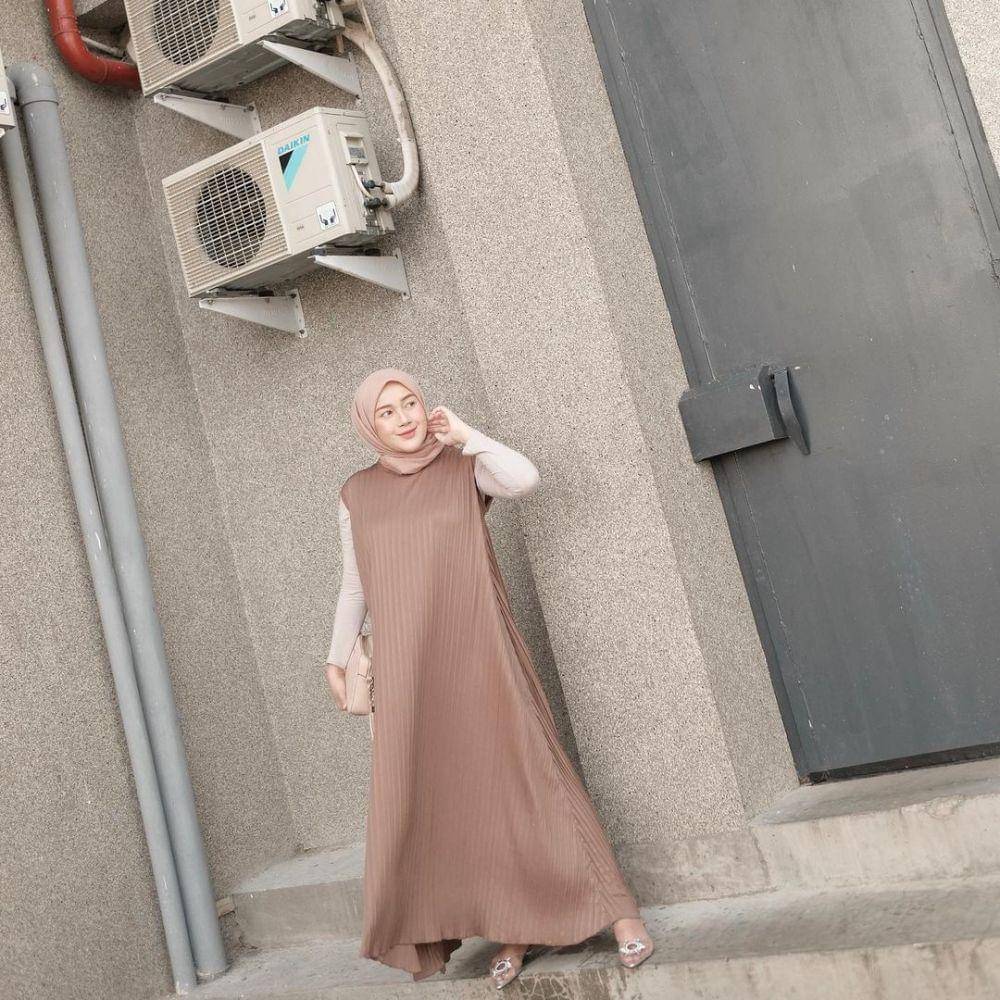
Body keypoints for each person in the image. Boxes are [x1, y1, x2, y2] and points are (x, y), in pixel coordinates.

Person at [324, 367, 655, 988]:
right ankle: (515, 928)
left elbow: (525, 479)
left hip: (478, 648)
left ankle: (620, 913)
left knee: (530, 773)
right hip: (409, 672)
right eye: (388, 411)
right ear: (370, 425)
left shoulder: (462, 468)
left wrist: (469, 436)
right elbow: (355, 587)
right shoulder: (357, 494)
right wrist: (336, 659)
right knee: (463, 798)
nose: (404, 418)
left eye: (410, 403)